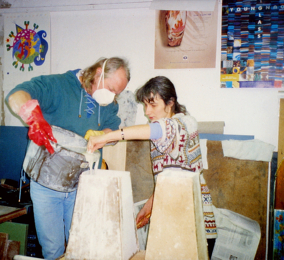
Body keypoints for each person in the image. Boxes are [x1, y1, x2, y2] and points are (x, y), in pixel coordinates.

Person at [6, 57, 130, 260]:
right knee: (53, 250)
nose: (112, 96)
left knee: (81, 248)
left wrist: (105, 135)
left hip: (82, 186)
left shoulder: (107, 104)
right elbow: (15, 95)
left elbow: (114, 127)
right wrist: (32, 116)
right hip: (47, 186)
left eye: (117, 92)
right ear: (98, 73)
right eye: (110, 88)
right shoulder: (59, 85)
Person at [86, 76, 217, 257]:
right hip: (174, 212)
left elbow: (159, 130)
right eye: (145, 105)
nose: (147, 112)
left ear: (170, 102)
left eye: (153, 105)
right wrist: (150, 204)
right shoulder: (161, 134)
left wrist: (106, 137)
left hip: (194, 221)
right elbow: (171, 175)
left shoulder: (184, 123)